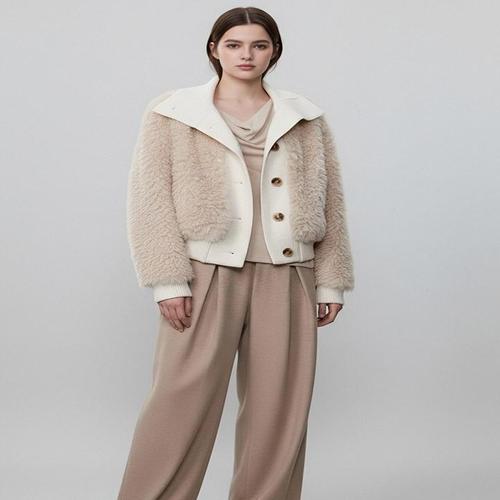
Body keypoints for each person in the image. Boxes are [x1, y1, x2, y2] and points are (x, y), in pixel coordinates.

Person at [117, 6, 354, 500]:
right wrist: (168, 280)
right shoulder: (174, 112)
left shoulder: (305, 116)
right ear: (214, 49)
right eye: (234, 45)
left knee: (279, 410)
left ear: (274, 52)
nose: (247, 55)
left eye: (259, 45)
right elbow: (150, 200)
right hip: (205, 272)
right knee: (178, 403)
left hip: (289, 272)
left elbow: (329, 199)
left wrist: (331, 281)